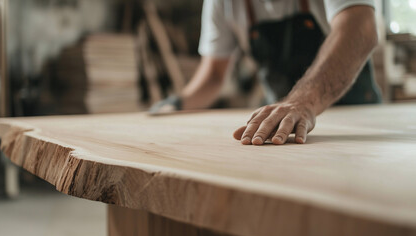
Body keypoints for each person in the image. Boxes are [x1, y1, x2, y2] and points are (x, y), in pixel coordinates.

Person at [150, 0, 382, 145]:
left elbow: (360, 27)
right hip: (282, 129)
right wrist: (175, 104)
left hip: (355, 124)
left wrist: (303, 102)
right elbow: (213, 75)